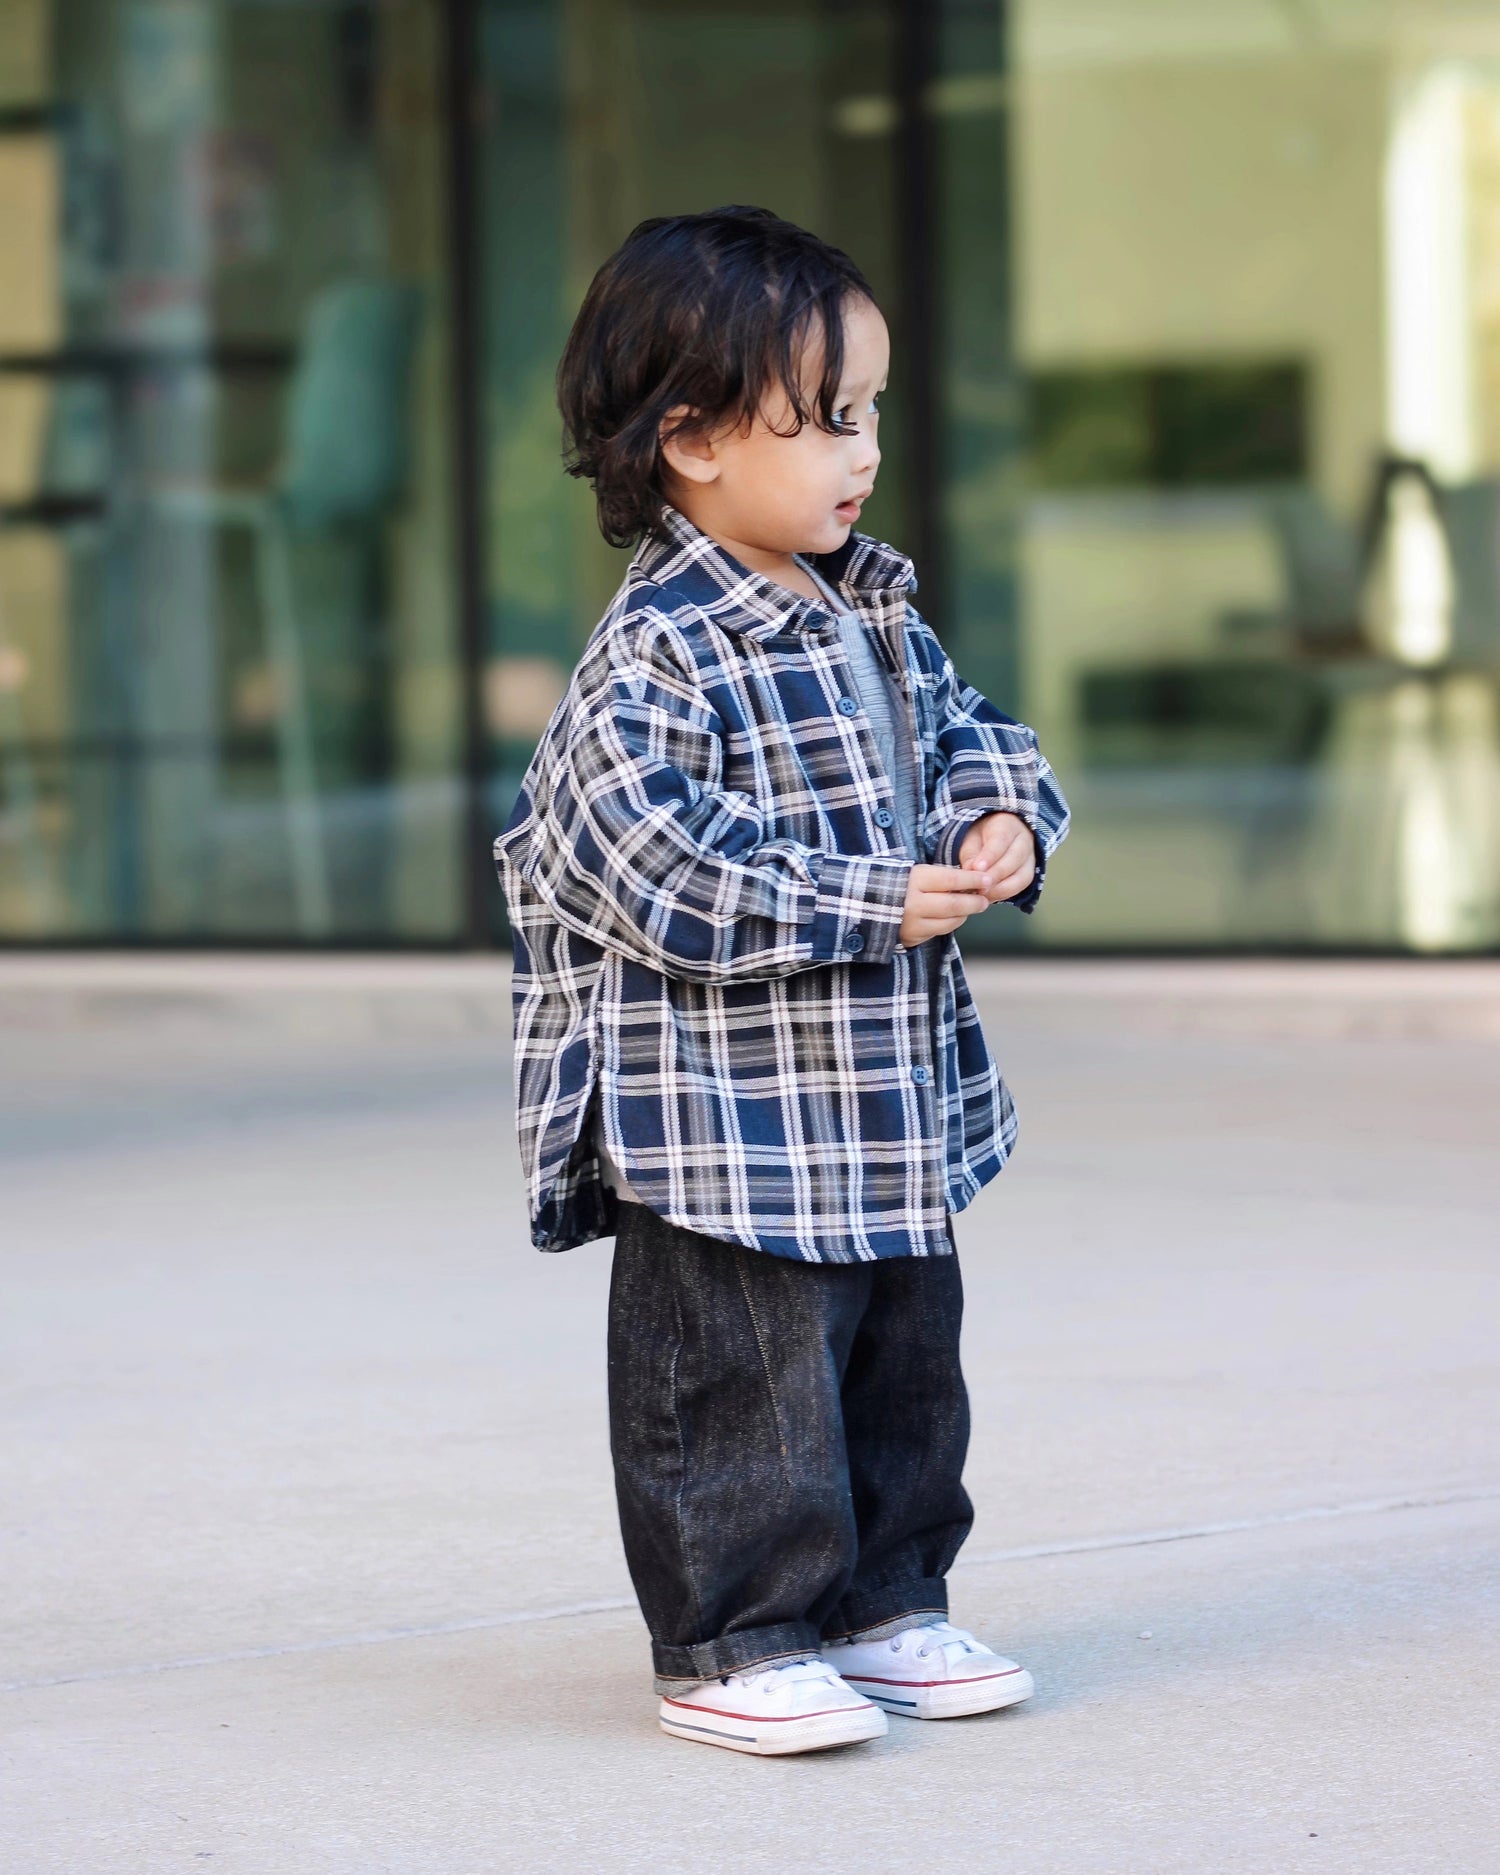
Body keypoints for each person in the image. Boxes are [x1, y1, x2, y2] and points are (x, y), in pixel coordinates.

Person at [493, 205, 1070, 1757]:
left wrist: (997, 815)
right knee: (743, 1393)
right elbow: (648, 861)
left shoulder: (869, 604)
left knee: (901, 1373)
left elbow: (969, 734)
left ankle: (889, 1603)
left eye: (868, 411)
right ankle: (738, 1635)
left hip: (878, 1100)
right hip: (726, 1127)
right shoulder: (659, 654)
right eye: (823, 421)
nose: (861, 449)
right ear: (688, 441)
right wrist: (869, 898)